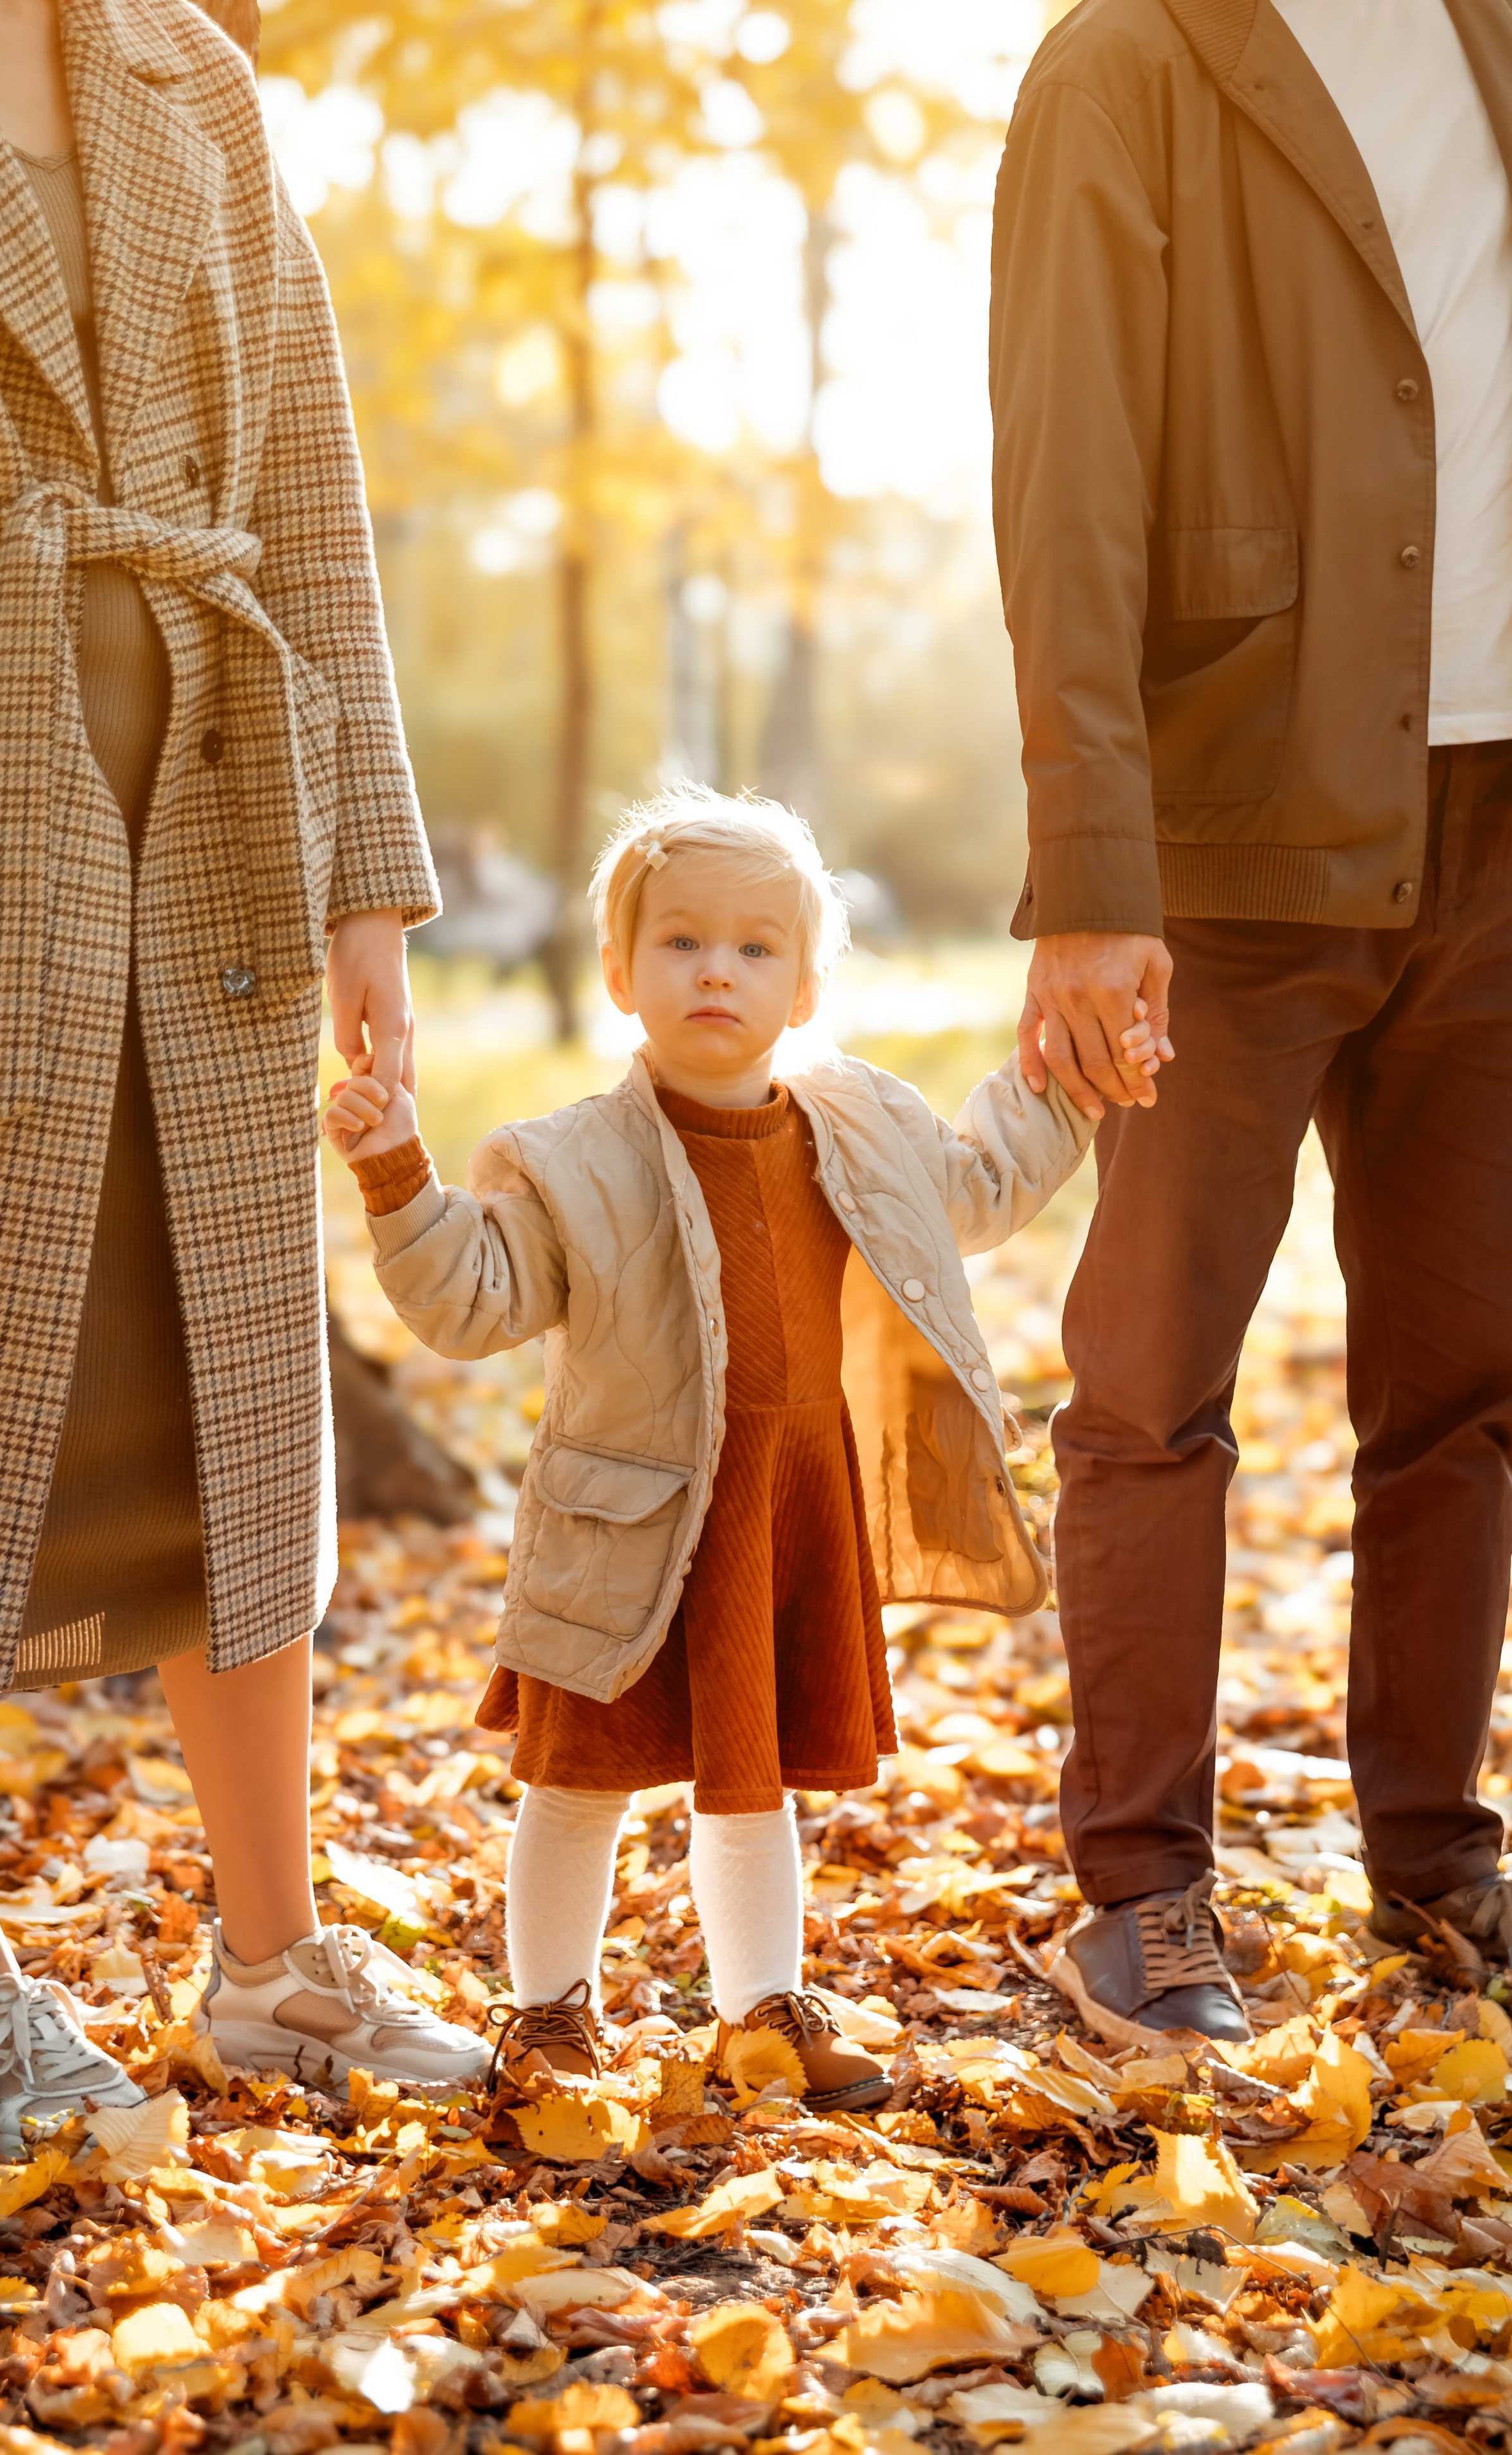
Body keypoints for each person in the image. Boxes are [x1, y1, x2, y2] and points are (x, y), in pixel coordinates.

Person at [0, 0, 488, 2152]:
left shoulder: (195, 76)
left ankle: (272, 1959)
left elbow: (308, 484)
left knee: (235, 1388)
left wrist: (369, 897)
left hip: (221, 808)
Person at [323, 785, 1138, 2104]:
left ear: (807, 983)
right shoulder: (565, 1159)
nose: (717, 969)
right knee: (577, 1781)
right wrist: (399, 1175)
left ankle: (762, 2008)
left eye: (756, 948)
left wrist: (1070, 1079)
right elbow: (467, 1297)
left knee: (750, 1784)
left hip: (780, 1505)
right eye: (682, 943)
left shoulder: (858, 1124)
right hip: (631, 1521)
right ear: (619, 971)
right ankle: (546, 2016)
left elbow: (982, 1178)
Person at [991, 0, 1512, 2044]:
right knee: (1151, 1385)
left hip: (1498, 818)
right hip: (1227, 839)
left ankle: (1438, 1852)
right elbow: (1068, 488)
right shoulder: (1133, 59)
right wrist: (1095, 877)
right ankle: (1138, 1885)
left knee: (1467, 1386)